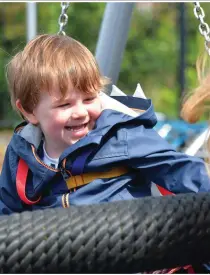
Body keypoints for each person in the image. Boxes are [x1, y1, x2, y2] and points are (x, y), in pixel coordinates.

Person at [0, 34, 210, 215]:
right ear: (29, 111)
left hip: (125, 245)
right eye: (65, 105)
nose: (81, 112)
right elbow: (7, 211)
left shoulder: (121, 136)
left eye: (90, 99)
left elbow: (181, 171)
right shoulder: (22, 156)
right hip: (59, 253)